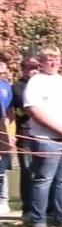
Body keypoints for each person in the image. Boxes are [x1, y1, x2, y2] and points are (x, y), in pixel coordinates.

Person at [24, 45, 62, 227]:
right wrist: (60, 130)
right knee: (44, 179)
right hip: (47, 139)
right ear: (41, 62)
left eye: (56, 58)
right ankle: (38, 220)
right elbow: (33, 110)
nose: (53, 62)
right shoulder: (36, 82)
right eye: (49, 59)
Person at [10, 57, 40, 221]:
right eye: (30, 68)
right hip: (26, 134)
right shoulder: (17, 87)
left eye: (37, 67)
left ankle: (45, 208)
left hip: (43, 134)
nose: (34, 70)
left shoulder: (43, 86)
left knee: (43, 173)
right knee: (28, 172)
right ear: (23, 69)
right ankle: (28, 209)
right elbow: (26, 106)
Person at [0, 61, 12, 215]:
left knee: (1, 169)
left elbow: (8, 113)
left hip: (2, 131)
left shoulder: (5, 87)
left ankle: (3, 201)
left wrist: (10, 134)